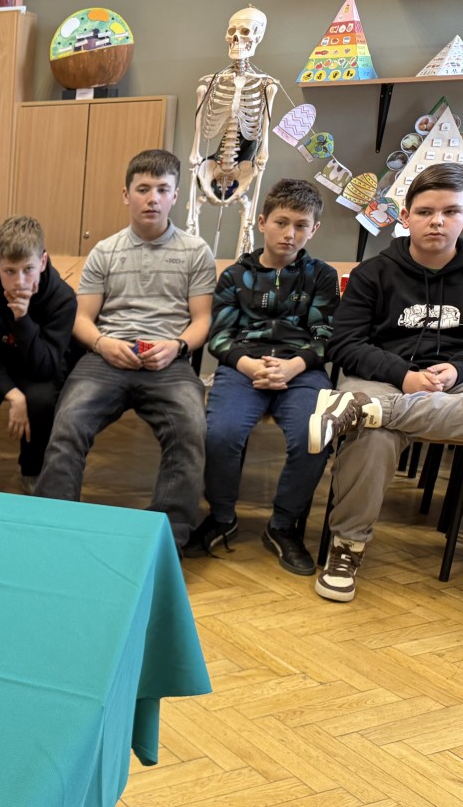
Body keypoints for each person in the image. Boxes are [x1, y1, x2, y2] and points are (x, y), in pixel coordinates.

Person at [34, 148, 215, 550]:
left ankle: (169, 538)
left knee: (190, 428)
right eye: (143, 189)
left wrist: (177, 346)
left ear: (175, 196)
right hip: (108, 356)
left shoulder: (195, 251)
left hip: (167, 359)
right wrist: (103, 343)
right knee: (68, 425)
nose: (152, 198)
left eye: (162, 189)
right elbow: (82, 319)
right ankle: (52, 527)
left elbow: (202, 320)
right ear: (126, 194)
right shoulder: (105, 251)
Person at [305, 162, 463, 602]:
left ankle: (366, 411)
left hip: (451, 387)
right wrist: (403, 376)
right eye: (426, 211)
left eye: (451, 211)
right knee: (373, 438)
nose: (438, 221)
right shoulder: (373, 272)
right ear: (406, 216)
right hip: (383, 377)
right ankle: (347, 547)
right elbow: (344, 344)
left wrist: (457, 370)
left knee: (370, 420)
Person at [187, 178, 339, 573]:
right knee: (220, 433)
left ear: (314, 229)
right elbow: (220, 337)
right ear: (262, 222)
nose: (290, 234)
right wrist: (249, 365)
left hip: (301, 370)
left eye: (301, 226)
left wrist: (293, 365)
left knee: (315, 435)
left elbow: (326, 336)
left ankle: (283, 525)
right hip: (244, 367)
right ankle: (222, 516)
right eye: (281, 222)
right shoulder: (234, 276)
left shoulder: (321, 276)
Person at [0, 215, 77, 493]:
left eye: (28, 269)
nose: (20, 281)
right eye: (10, 271)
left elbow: (47, 366)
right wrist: (13, 394)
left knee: (42, 400)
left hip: (35, 367)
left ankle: (32, 472)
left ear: (43, 262)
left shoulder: (62, 298)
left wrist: (22, 320)